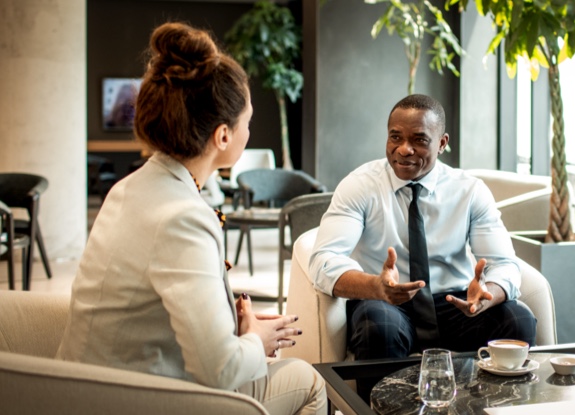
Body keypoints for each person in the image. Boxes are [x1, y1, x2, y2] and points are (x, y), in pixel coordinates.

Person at [57, 22, 326, 415]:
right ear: (222, 136)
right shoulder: (183, 217)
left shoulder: (131, 187)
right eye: (246, 123)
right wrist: (256, 341)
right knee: (309, 380)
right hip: (131, 398)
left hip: (88, 384)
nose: (248, 132)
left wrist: (233, 325)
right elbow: (221, 370)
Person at [310, 94, 537, 364]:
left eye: (419, 140)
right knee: (378, 326)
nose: (404, 149)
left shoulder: (469, 191)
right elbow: (323, 261)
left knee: (518, 319)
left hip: (456, 303)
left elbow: (505, 264)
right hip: (385, 301)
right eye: (395, 137)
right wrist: (376, 286)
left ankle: (493, 406)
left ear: (442, 144)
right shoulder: (359, 185)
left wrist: (488, 295)